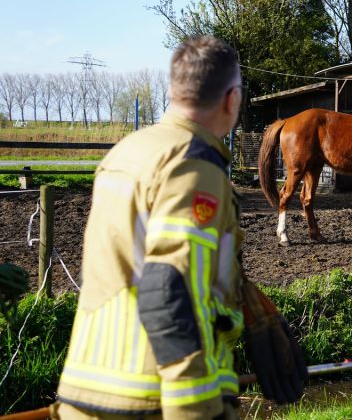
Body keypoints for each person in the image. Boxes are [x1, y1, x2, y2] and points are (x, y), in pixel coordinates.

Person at [54, 37, 246, 419]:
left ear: (174, 91)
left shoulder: (126, 152)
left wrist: (248, 310)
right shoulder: (194, 165)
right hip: (149, 398)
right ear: (232, 99)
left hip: (87, 386)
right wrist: (194, 408)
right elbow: (167, 286)